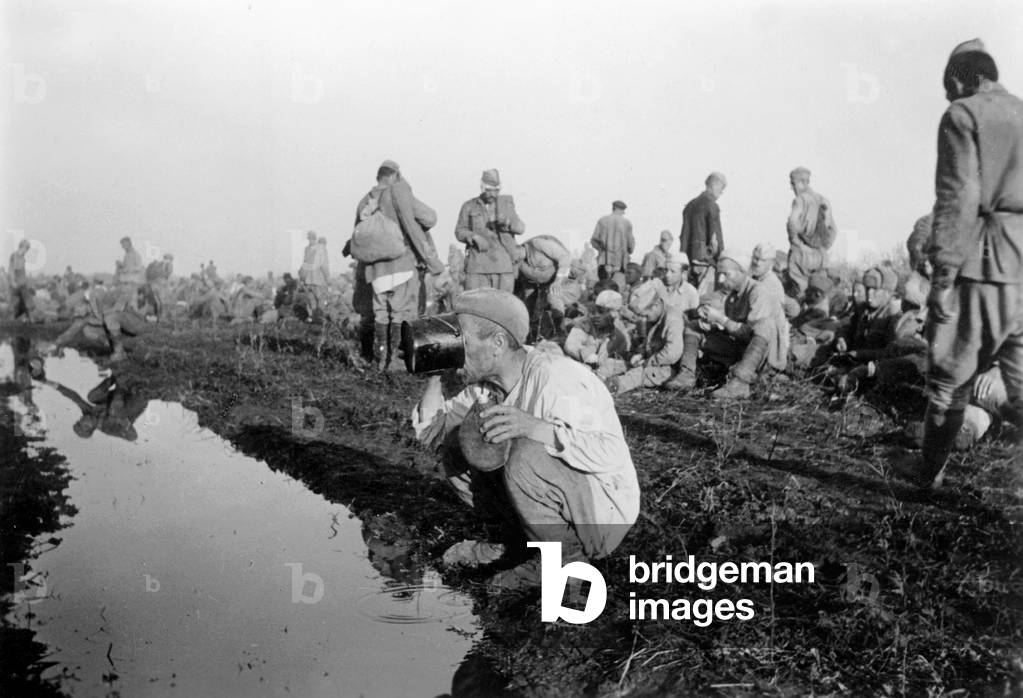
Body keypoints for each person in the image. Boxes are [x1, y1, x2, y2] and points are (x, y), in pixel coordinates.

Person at [413, 288, 640, 587]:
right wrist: (435, 370)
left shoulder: (556, 377)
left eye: (462, 343)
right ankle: (510, 544)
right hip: (553, 499)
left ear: (497, 343)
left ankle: (564, 563)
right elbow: (432, 433)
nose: (455, 351)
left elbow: (609, 451)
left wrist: (534, 427)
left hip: (602, 511)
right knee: (458, 442)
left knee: (526, 453)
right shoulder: (485, 388)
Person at [895, 39, 1023, 488]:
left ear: (956, 80)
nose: (947, 98)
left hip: (986, 267)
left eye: (948, 88)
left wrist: (944, 276)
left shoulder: (963, 115)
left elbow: (958, 199)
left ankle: (927, 473)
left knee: (950, 377)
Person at [354, 160, 444, 371]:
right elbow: (429, 218)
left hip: (375, 272)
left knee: (381, 313)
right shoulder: (398, 193)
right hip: (402, 265)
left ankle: (380, 359)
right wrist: (433, 263)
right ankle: (396, 360)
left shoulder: (364, 201)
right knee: (401, 312)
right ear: (396, 175)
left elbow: (358, 239)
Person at [688, 249, 789, 398]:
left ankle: (740, 382)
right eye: (719, 274)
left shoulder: (759, 292)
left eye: (726, 274)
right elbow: (737, 332)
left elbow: (753, 334)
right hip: (744, 351)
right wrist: (712, 324)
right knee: (694, 326)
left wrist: (721, 319)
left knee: (764, 324)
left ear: (742, 272)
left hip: (766, 359)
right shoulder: (732, 297)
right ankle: (686, 374)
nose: (721, 280)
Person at [612, 281, 691, 394]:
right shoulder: (655, 316)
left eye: (645, 315)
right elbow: (650, 342)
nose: (643, 320)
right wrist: (642, 354)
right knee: (618, 364)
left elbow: (673, 354)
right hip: (657, 361)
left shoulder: (673, 319)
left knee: (639, 374)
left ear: (656, 305)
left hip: (672, 368)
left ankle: (614, 386)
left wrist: (648, 361)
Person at [455, 169, 526, 292]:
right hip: (477, 266)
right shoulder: (469, 206)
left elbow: (521, 228)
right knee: (475, 305)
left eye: (496, 191)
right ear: (482, 188)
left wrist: (508, 223)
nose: (492, 194)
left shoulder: (506, 205)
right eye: (489, 190)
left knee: (504, 306)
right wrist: (473, 237)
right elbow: (459, 231)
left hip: (503, 266)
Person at [785, 168, 837, 296]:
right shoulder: (823, 200)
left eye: (793, 183)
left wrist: (797, 243)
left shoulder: (800, 200)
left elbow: (792, 222)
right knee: (819, 292)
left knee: (800, 293)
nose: (792, 188)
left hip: (802, 255)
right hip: (821, 256)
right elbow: (833, 230)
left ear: (802, 183)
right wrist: (822, 247)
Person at [564, 290, 631, 380]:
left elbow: (618, 358)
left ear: (613, 316)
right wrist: (586, 355)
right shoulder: (585, 324)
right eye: (595, 311)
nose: (595, 315)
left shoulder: (616, 335)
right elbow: (570, 345)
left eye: (601, 312)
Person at [515, 234, 571, 342]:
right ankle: (532, 336)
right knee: (530, 306)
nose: (516, 258)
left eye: (516, 254)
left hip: (560, 278)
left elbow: (565, 256)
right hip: (539, 284)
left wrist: (558, 280)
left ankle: (561, 333)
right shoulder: (520, 262)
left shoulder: (537, 244)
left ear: (520, 247)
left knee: (553, 298)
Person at [680, 172, 727, 295]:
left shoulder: (690, 205)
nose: (721, 193)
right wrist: (721, 260)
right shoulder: (712, 206)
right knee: (705, 300)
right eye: (721, 189)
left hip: (689, 261)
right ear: (715, 185)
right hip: (706, 262)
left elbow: (683, 236)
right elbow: (715, 239)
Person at [590, 200, 634, 280]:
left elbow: (594, 240)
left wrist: (602, 250)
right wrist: (627, 251)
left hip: (604, 261)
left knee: (603, 286)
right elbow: (631, 245)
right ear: (621, 210)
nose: (623, 213)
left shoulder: (602, 220)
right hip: (620, 262)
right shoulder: (627, 223)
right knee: (618, 286)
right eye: (623, 211)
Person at [299, 231, 330, 322]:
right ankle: (320, 319)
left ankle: (313, 319)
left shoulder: (307, 249)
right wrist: (327, 277)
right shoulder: (321, 249)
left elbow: (304, 265)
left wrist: (302, 278)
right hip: (319, 280)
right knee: (321, 300)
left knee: (311, 301)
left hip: (308, 280)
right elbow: (324, 265)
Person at [115, 237, 146, 311]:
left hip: (131, 283)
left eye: (124, 245)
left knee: (132, 304)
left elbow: (139, 267)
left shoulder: (135, 254)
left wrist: (127, 270)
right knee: (126, 304)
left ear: (129, 244)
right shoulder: (127, 255)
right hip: (125, 283)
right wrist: (121, 266)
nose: (123, 247)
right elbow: (127, 267)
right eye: (122, 246)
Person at [9, 239, 34, 321]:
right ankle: (29, 318)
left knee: (25, 301)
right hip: (17, 283)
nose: (26, 251)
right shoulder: (15, 256)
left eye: (27, 249)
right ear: (22, 247)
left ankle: (29, 318)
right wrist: (13, 282)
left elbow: (23, 272)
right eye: (26, 249)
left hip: (22, 283)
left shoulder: (22, 258)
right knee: (17, 301)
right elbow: (12, 270)